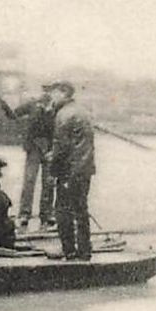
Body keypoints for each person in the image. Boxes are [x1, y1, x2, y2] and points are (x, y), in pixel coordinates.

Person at [46, 80, 96, 260]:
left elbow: (61, 147)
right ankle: (85, 250)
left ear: (64, 93)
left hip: (69, 171)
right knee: (81, 210)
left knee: (62, 209)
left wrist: (53, 172)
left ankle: (68, 249)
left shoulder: (63, 115)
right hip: (85, 169)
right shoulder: (83, 112)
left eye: (54, 92)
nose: (51, 96)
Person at [3, 84, 57, 229]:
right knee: (29, 180)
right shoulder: (32, 105)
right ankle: (24, 214)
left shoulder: (57, 108)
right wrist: (4, 104)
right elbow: (13, 115)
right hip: (33, 147)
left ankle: (47, 214)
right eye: (45, 90)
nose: (47, 94)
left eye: (50, 91)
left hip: (50, 148)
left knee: (49, 182)